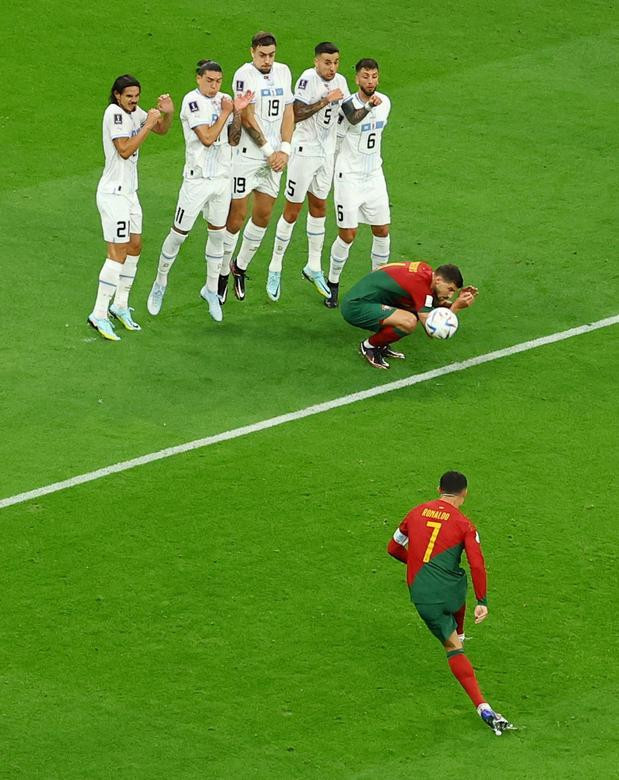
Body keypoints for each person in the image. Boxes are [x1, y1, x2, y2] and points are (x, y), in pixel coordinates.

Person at [387, 471, 516, 736]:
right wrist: (482, 601)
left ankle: (481, 702)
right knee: (460, 579)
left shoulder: (415, 513)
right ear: (464, 493)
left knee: (452, 643)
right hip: (449, 594)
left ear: (438, 489)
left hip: (422, 596)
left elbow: (393, 548)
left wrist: (415, 564)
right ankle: (462, 635)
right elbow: (477, 563)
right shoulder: (465, 524)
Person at [146, 60, 253, 322]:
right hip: (196, 181)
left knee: (217, 235)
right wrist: (227, 113)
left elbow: (234, 139)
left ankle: (210, 289)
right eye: (209, 81)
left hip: (221, 180)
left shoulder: (225, 100)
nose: (215, 86)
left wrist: (237, 113)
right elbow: (206, 139)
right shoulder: (192, 102)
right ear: (198, 79)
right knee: (179, 234)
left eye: (218, 81)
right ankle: (160, 283)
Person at [264, 42, 350, 302]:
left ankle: (313, 266)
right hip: (303, 152)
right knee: (292, 211)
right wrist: (325, 100)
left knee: (320, 207)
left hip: (326, 154)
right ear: (316, 61)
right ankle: (275, 267)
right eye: (327, 62)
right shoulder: (306, 79)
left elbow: (346, 113)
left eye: (335, 62)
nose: (332, 67)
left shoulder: (342, 81)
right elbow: (297, 113)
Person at [88, 75, 173, 341]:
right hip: (113, 194)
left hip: (130, 194)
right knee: (118, 252)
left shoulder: (134, 112)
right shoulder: (114, 114)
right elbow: (124, 149)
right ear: (117, 95)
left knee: (135, 245)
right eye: (129, 96)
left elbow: (161, 129)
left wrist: (167, 114)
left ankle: (120, 305)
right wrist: (147, 125)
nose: (134, 100)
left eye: (137, 95)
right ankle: (99, 313)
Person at [216, 31, 294, 303]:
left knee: (263, 215)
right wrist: (269, 151)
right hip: (248, 157)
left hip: (275, 156)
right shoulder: (243, 75)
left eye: (271, 55)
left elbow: (288, 110)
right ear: (252, 52)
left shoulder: (284, 72)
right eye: (262, 55)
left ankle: (239, 267)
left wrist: (285, 148)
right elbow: (246, 117)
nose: (267, 60)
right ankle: (220, 274)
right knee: (236, 219)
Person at [324, 58, 391, 310]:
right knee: (348, 235)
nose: (370, 81)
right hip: (348, 177)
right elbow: (352, 119)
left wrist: (374, 105)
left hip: (374, 176)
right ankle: (332, 285)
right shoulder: (347, 104)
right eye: (365, 76)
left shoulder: (385, 103)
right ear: (356, 79)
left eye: (374, 76)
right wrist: (368, 106)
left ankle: (379, 287)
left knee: (382, 230)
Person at [340, 260, 478, 369]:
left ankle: (382, 344)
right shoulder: (419, 284)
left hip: (371, 298)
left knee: (414, 310)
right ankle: (369, 346)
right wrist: (456, 307)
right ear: (438, 280)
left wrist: (455, 302)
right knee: (409, 321)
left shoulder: (426, 273)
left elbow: (428, 303)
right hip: (356, 306)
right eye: (450, 290)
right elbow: (433, 329)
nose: (450, 295)